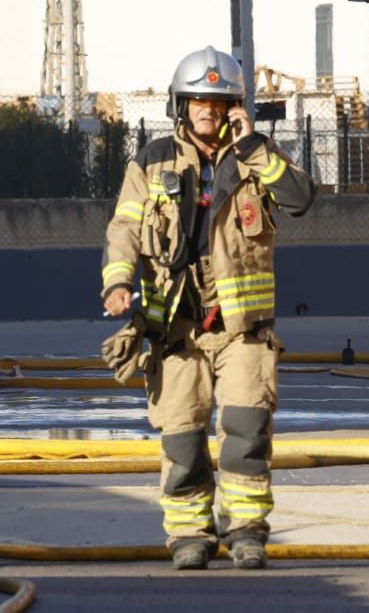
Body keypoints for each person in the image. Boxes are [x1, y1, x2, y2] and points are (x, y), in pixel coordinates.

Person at [100, 47, 316, 571]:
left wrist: (256, 148)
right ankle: (189, 534)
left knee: (246, 432)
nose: (209, 110)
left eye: (220, 102)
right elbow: (125, 228)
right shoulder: (151, 161)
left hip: (243, 330)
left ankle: (245, 532)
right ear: (182, 104)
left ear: (235, 108)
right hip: (175, 328)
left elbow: (301, 198)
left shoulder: (256, 157)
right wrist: (118, 282)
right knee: (182, 437)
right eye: (200, 100)